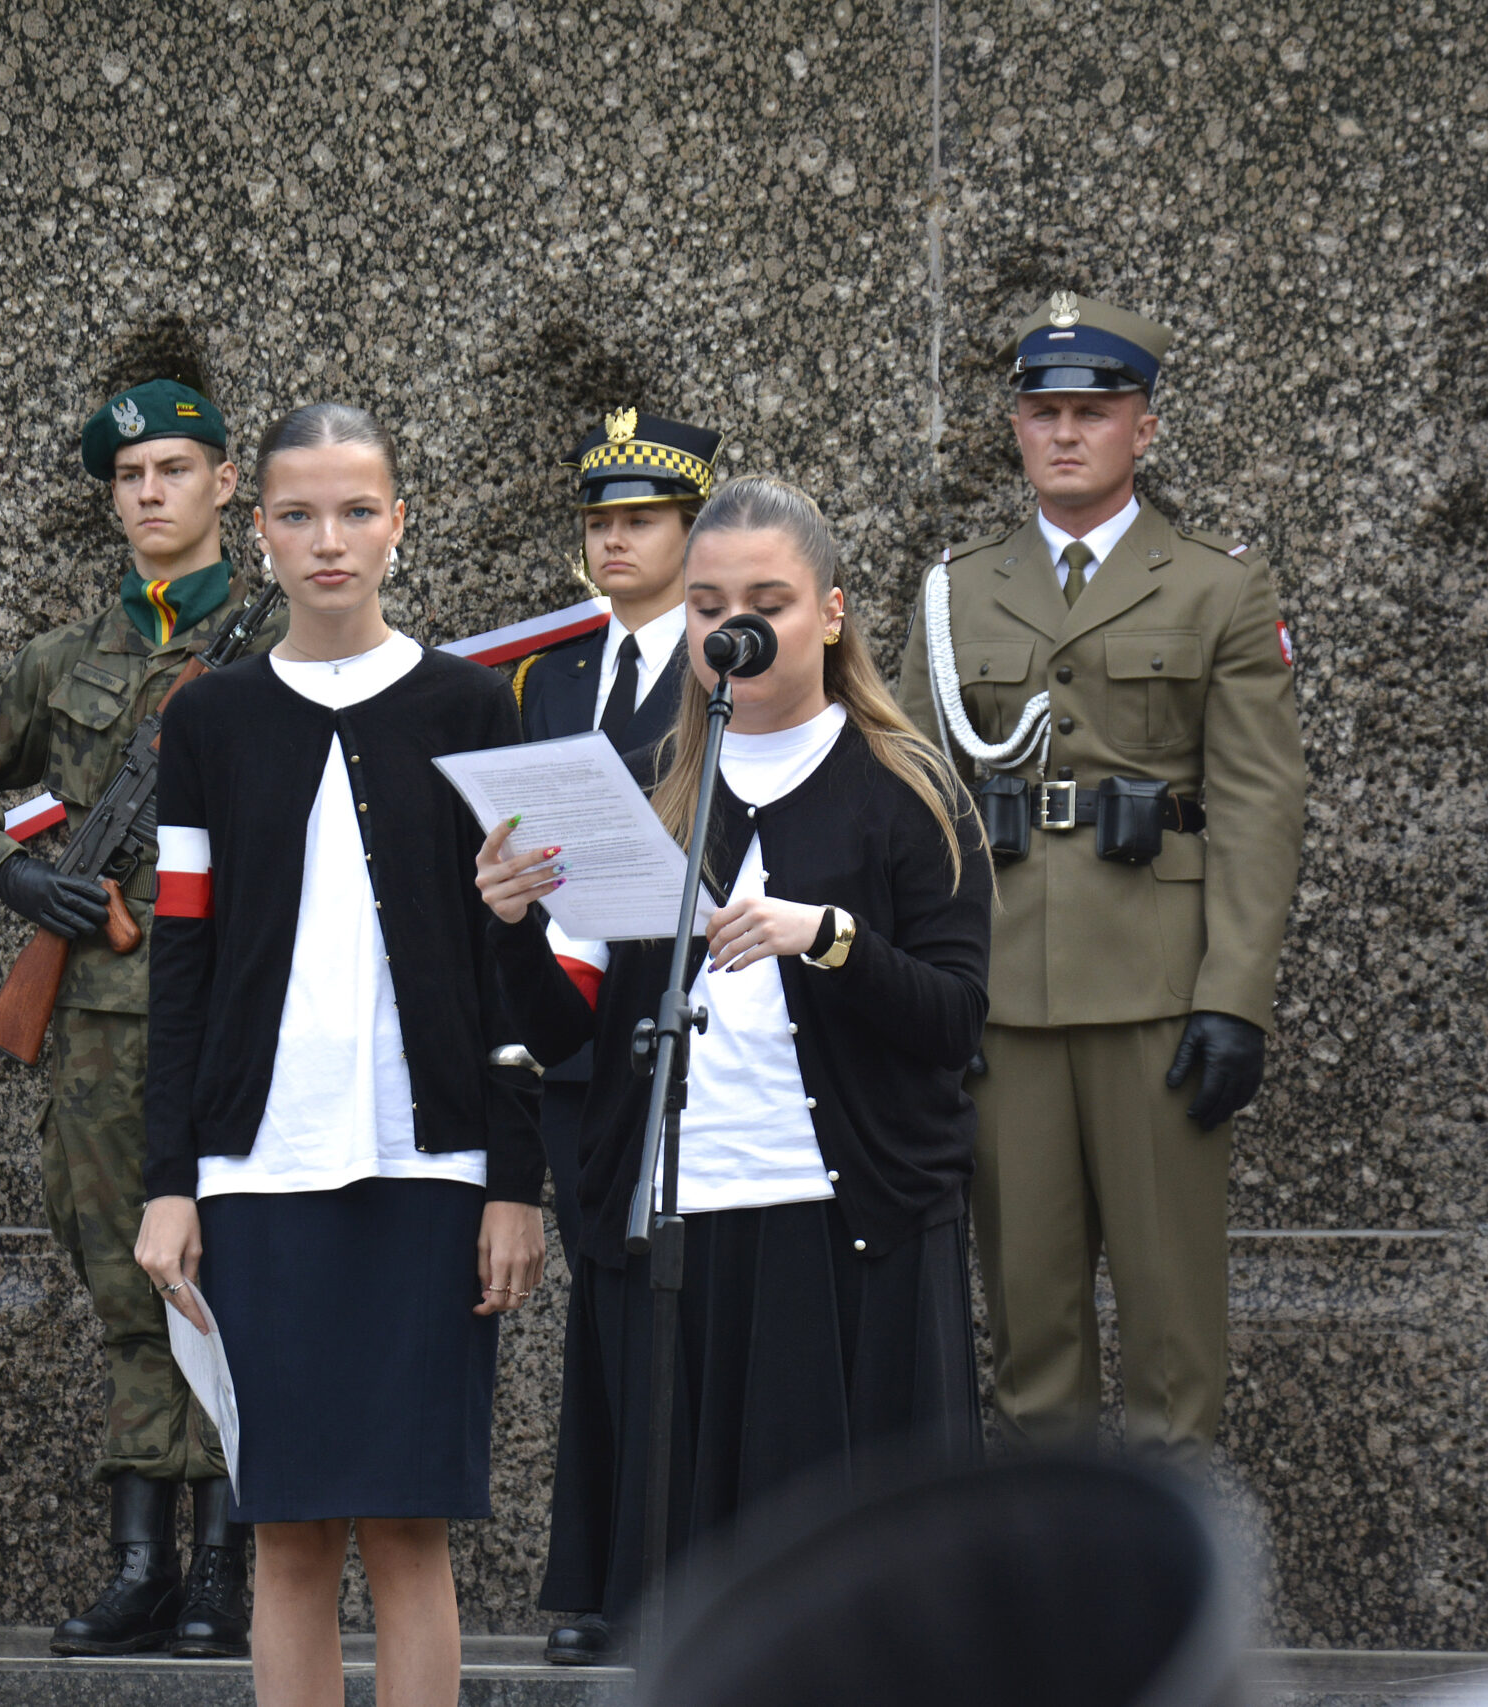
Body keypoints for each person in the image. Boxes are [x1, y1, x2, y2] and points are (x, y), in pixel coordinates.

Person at [478, 475, 992, 1663]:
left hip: (840, 1217)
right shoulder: (652, 790)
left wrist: (832, 940)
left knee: (839, 1611)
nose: (733, 630)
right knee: (686, 1612)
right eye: (708, 606)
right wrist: (506, 924)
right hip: (674, 1213)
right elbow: (564, 1034)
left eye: (765, 601)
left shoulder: (902, 790)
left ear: (830, 613)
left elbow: (956, 1017)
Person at [136, 402, 547, 1707]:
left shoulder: (477, 704)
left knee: (412, 1528)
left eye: (357, 510)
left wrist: (515, 1180)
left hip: (433, 1167)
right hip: (257, 1173)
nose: (330, 540)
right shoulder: (208, 724)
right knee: (292, 1529)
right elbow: (182, 962)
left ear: (398, 524)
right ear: (258, 531)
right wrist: (168, 1178)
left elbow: (516, 966)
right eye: (300, 514)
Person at [894, 292, 1307, 1466]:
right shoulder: (955, 592)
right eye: (1042, 411)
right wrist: (937, 993)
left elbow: (1258, 806)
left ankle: (1167, 1602)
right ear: (1015, 428)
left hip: (1156, 993)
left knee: (1175, 1332)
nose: (1065, 431)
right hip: (1005, 994)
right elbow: (922, 804)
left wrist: (1233, 1000)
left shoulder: (1218, 588)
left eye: (1094, 409)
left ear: (1145, 428)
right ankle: (1047, 1594)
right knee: (1030, 1328)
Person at [0, 378, 278, 1657]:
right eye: (130, 477)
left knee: (241, 1285)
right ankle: (142, 1565)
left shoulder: (278, 649)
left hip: (249, 1009)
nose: (152, 493)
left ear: (228, 485)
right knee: (129, 1283)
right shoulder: (65, 664)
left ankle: (233, 1571)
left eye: (177, 468)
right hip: (109, 1023)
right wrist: (16, 875)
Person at [509, 408, 719, 1263]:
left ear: (692, 528)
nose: (614, 540)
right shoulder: (546, 675)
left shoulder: (722, 665)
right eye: (599, 523)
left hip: (674, 1013)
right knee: (596, 1272)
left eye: (640, 520)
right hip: (568, 1036)